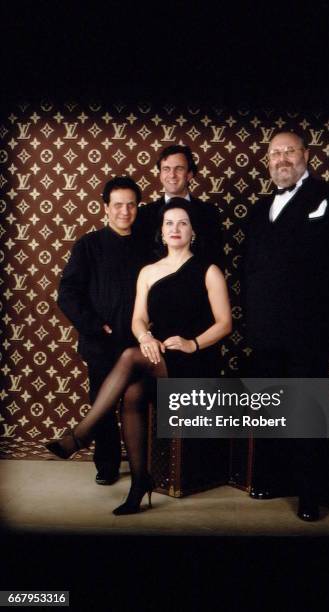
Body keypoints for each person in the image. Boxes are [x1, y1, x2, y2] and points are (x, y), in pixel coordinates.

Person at [46, 199, 232, 515]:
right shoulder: (148, 271)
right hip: (157, 355)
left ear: (193, 231)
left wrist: (193, 344)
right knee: (132, 394)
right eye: (169, 223)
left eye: (183, 222)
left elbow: (225, 323)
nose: (175, 228)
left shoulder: (208, 270)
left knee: (132, 357)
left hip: (194, 360)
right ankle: (140, 482)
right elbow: (138, 319)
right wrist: (146, 336)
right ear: (161, 232)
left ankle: (81, 435)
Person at [244, 131, 329, 521]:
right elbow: (250, 270)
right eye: (274, 153)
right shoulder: (259, 208)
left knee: (306, 406)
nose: (281, 158)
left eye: (289, 151)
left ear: (306, 154)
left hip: (309, 324)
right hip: (264, 326)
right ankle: (273, 478)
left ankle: (309, 493)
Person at [57, 176, 144, 486]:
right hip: (101, 342)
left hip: (139, 344)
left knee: (136, 403)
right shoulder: (88, 245)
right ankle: (106, 465)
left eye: (131, 204)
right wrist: (94, 325)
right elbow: (67, 293)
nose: (124, 211)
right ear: (106, 207)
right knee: (102, 404)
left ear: (138, 207)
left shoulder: (150, 245)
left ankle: (142, 466)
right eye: (118, 204)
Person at [136, 144, 224, 265]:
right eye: (166, 169)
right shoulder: (143, 214)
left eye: (179, 168)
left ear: (189, 174)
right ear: (160, 175)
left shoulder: (209, 212)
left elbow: (216, 259)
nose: (172, 175)